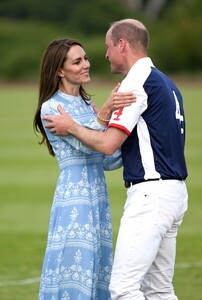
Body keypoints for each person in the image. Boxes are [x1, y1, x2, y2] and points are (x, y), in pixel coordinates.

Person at [43, 19, 188, 300]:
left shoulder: (134, 84)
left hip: (151, 195)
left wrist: (77, 125)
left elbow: (108, 146)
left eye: (108, 47)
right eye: (79, 60)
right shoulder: (167, 83)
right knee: (160, 290)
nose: (104, 56)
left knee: (122, 289)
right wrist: (102, 117)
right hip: (172, 193)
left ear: (122, 44)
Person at [33, 37, 136, 300]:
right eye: (77, 61)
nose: (85, 65)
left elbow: (107, 155)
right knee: (75, 268)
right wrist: (107, 112)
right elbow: (88, 147)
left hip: (97, 197)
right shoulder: (51, 107)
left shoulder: (87, 105)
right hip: (74, 199)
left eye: (86, 58)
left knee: (98, 268)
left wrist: (137, 139)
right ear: (59, 70)